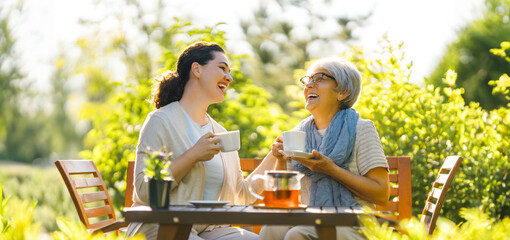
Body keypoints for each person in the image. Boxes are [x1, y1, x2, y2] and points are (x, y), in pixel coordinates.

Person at [126, 42, 277, 240]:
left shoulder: (220, 132)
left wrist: (274, 154)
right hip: (163, 225)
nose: (229, 78)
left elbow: (240, 196)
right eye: (222, 68)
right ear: (196, 69)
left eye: (229, 72)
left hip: (210, 229)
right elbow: (147, 191)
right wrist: (192, 156)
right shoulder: (161, 121)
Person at [259, 57, 390, 240]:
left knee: (296, 235)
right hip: (308, 217)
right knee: (271, 229)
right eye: (308, 80)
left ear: (342, 92)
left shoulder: (361, 129)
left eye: (319, 78)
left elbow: (381, 194)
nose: (309, 85)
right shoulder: (299, 134)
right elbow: (281, 200)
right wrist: (280, 159)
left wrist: (332, 170)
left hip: (354, 223)